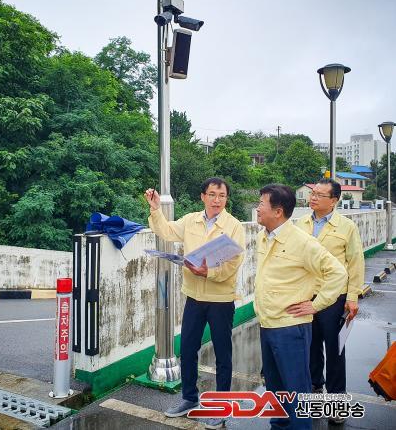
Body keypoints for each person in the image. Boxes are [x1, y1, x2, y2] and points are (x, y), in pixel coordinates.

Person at [145, 177, 245, 430]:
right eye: (212, 194)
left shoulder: (234, 226)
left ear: (226, 199)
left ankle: (221, 407)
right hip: (194, 296)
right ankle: (189, 398)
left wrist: (209, 272)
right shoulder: (191, 220)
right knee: (188, 349)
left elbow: (234, 263)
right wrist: (156, 209)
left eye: (221, 196)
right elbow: (166, 231)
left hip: (220, 299)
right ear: (203, 196)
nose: (216, 200)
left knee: (223, 354)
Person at [254, 184, 347, 430]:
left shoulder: (302, 241)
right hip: (267, 323)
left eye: (261, 204)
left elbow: (338, 273)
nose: (257, 208)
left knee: (296, 392)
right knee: (275, 390)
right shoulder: (263, 236)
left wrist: (316, 304)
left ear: (278, 211)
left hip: (290, 328)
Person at [296, 179, 364, 425]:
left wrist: (353, 297)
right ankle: (315, 388)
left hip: (334, 296)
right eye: (313, 193)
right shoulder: (301, 224)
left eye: (319, 195)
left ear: (334, 200)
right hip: (307, 295)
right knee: (310, 344)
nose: (313, 198)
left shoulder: (346, 227)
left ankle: (336, 400)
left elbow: (355, 263)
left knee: (335, 348)